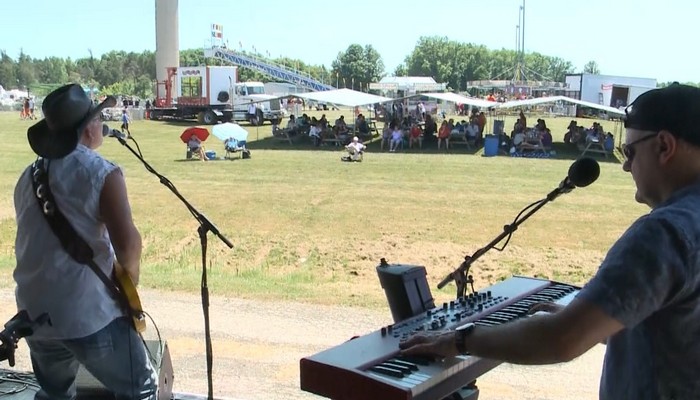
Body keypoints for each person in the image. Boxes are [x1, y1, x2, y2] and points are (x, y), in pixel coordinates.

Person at [400, 83, 700, 400]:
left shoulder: (663, 233)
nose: (626, 166)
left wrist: (458, 341)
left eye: (630, 152)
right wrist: (592, 317)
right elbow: (676, 328)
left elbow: (562, 340)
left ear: (665, 147)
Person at [13, 84, 157, 399]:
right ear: (89, 129)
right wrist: (128, 290)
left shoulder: (27, 176)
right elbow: (128, 245)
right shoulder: (100, 173)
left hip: (34, 313)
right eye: (97, 117)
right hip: (85, 311)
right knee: (141, 387)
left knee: (56, 394)